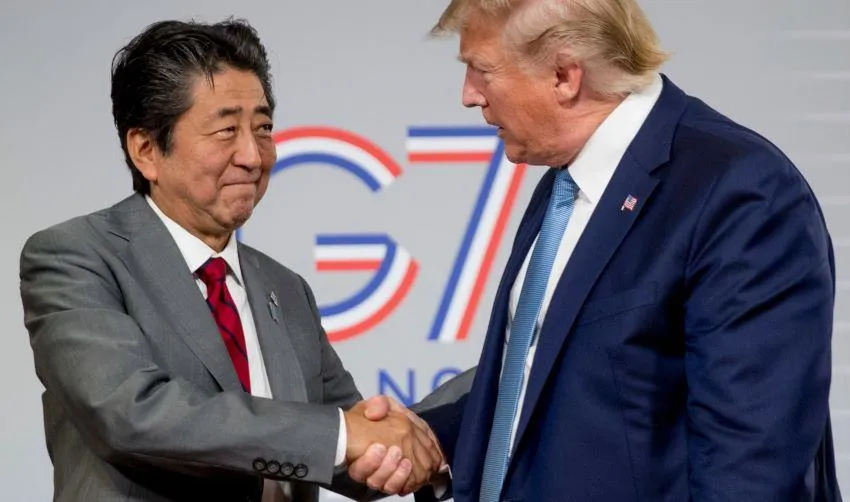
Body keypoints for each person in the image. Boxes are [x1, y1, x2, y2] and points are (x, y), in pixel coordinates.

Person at [357, 0, 844, 500]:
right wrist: (430, 438)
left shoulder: (740, 192)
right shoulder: (568, 179)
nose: (468, 95)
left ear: (565, 76)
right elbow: (572, 384)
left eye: (481, 70)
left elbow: (752, 467)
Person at [18, 18, 443, 502]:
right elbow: (133, 414)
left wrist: (416, 443)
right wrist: (343, 436)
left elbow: (350, 446)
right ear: (146, 150)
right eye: (225, 130)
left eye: (263, 128)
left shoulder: (284, 287)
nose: (252, 155)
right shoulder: (76, 257)